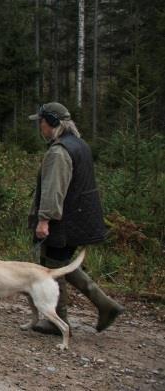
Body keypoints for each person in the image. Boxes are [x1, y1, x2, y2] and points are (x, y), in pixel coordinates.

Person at [28, 102, 123, 334]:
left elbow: (54, 189)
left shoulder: (59, 151)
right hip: (78, 218)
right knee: (63, 266)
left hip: (63, 221)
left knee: (53, 267)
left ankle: (56, 321)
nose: (40, 127)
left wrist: (44, 219)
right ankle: (105, 305)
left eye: (41, 122)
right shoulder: (80, 145)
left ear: (51, 122)